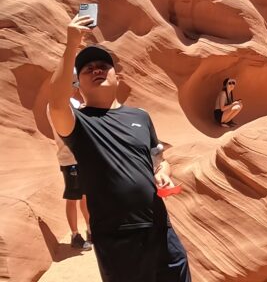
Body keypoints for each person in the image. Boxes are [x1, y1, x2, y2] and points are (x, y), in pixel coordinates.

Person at [48, 14, 191, 282]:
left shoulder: (140, 116)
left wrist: (163, 171)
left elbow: (158, 158)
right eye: (87, 69)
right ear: (78, 85)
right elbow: (56, 104)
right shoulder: (78, 121)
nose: (96, 69)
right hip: (117, 236)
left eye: (103, 65)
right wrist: (70, 47)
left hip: (160, 227)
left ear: (117, 76)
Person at [47, 85, 92, 250]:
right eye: (71, 85)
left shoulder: (75, 102)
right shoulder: (54, 105)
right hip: (69, 158)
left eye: (75, 85)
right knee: (73, 198)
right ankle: (75, 235)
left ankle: (90, 229)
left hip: (82, 158)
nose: (73, 88)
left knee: (86, 196)